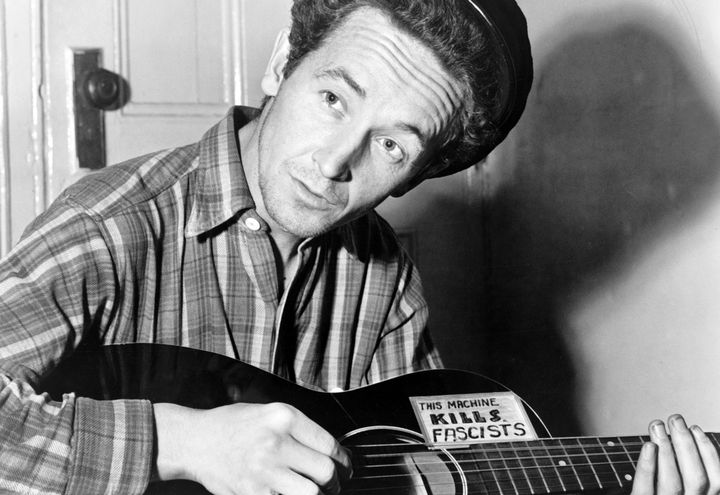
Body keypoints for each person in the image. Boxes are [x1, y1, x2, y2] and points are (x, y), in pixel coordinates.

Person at [0, 0, 717, 494]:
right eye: (334, 99)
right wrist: (181, 442)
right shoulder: (115, 226)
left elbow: (432, 461)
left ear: (425, 170)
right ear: (284, 62)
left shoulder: (382, 272)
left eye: (393, 143)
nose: (336, 160)